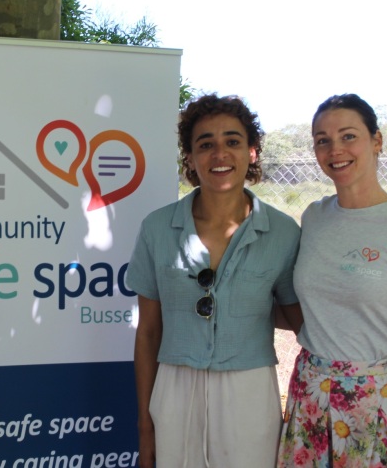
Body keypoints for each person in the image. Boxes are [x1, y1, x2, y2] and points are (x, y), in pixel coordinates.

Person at [127, 94, 302, 467]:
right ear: (189, 158)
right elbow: (148, 332)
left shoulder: (283, 232)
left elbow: (295, 316)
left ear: (252, 152)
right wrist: (145, 424)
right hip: (175, 385)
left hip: (249, 387)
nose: (219, 153)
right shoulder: (157, 228)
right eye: (205, 144)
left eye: (233, 141)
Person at [277, 94, 387, 467]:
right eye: (323, 140)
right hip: (310, 400)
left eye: (349, 136)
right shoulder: (314, 217)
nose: (336, 149)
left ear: (376, 142)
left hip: (380, 406)